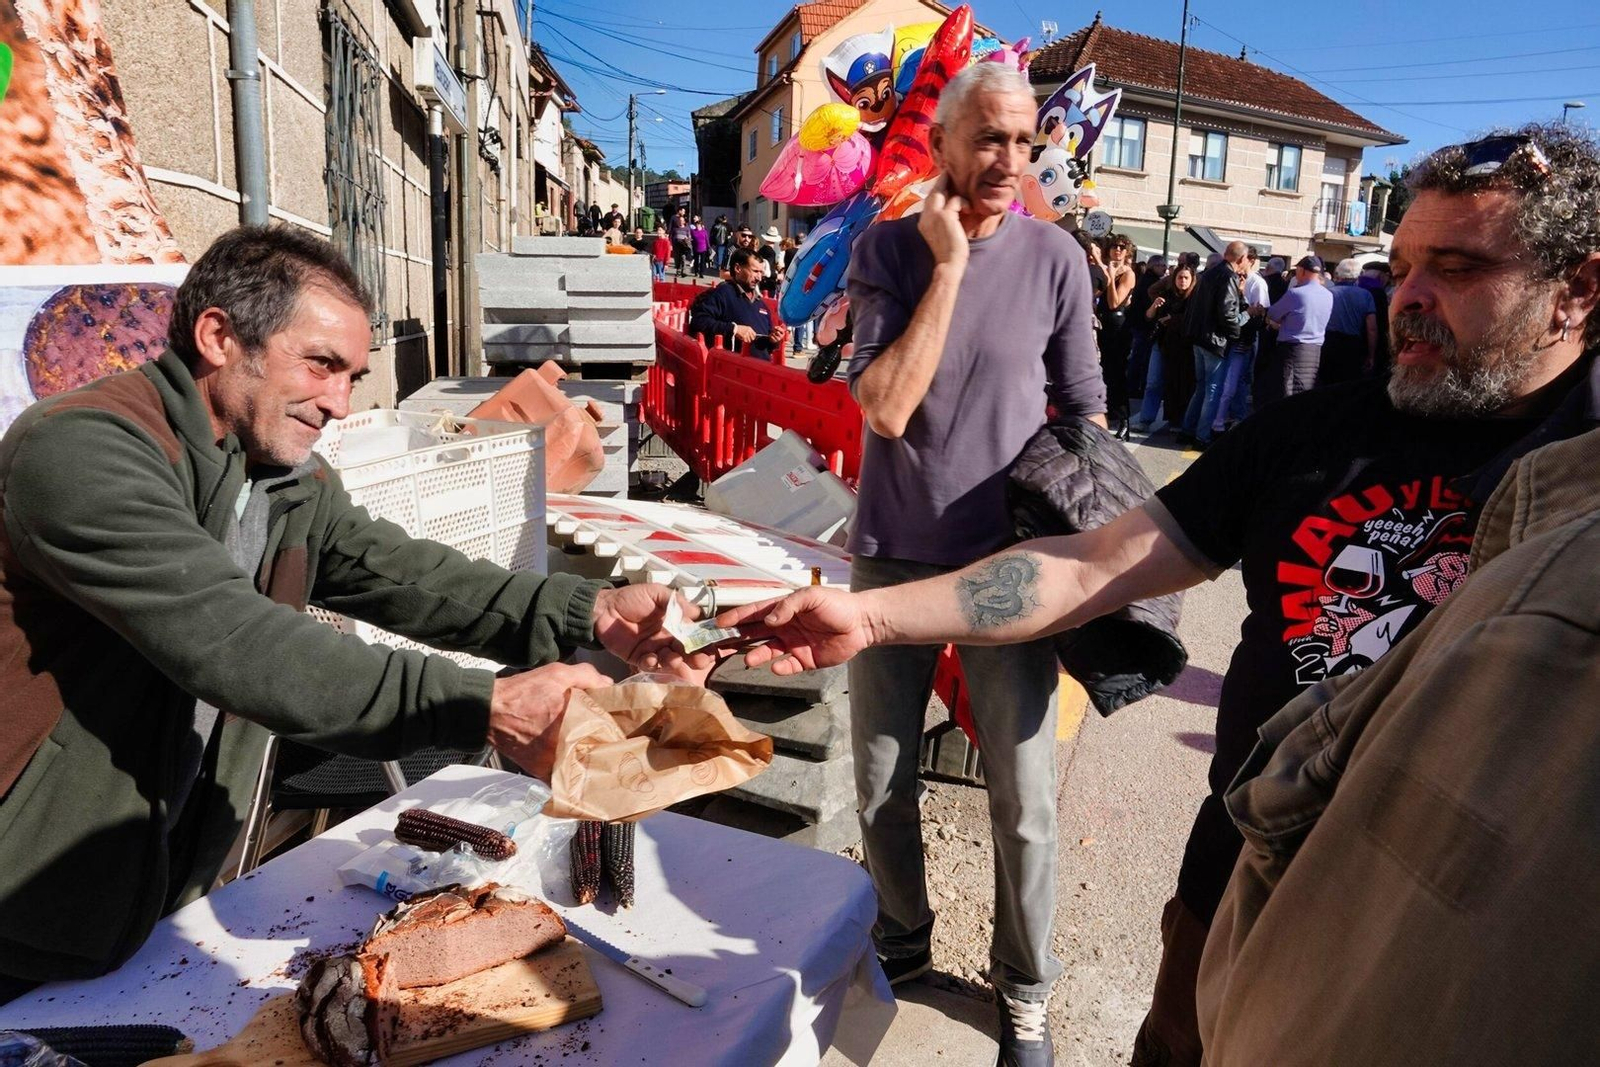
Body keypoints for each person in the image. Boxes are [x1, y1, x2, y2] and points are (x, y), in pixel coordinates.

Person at [713, 122, 1600, 1067]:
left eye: (1458, 269)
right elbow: (1093, 566)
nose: (1410, 298)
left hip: (1463, 958)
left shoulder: (1581, 479)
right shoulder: (1303, 435)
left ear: (1577, 291)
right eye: (1407, 264)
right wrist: (870, 614)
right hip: (1235, 897)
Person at [0, 226, 698, 998]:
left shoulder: (282, 473)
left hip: (162, 882)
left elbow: (409, 576)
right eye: (321, 364)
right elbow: (237, 641)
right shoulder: (80, 451)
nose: (340, 400)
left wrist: (591, 610)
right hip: (29, 893)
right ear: (219, 336)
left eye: (353, 374)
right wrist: (487, 704)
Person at [828, 62, 1104, 1067]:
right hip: (895, 551)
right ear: (941, 142)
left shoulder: (1058, 257)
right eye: (989, 139)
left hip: (1007, 561)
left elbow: (1085, 407)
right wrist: (946, 267)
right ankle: (902, 940)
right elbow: (888, 405)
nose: (1009, 160)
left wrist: (1085, 536)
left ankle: (1023, 988)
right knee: (880, 783)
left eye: (1025, 141)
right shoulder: (887, 252)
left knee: (1023, 798)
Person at [1197, 428, 1600, 1066]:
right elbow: (1121, 554)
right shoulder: (1312, 429)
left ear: (1570, 318)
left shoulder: (1570, 560)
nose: (1405, 318)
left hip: (1355, 960)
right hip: (1220, 881)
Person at [1179, 241, 1251, 447]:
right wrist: (1246, 316)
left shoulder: (1210, 273)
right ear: (1241, 259)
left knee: (1201, 387)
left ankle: (1187, 429)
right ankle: (1201, 436)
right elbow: (1228, 315)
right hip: (1215, 341)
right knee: (1212, 390)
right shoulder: (1228, 276)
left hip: (1200, 338)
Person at [1131, 262, 1197, 432]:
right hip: (1162, 343)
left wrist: (1173, 320)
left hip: (1183, 348)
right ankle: (1145, 419)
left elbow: (1194, 321)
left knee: (1179, 384)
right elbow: (1149, 316)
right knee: (1153, 382)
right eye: (1179, 277)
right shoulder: (1167, 295)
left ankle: (1177, 420)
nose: (1182, 281)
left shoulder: (1195, 299)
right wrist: (1154, 305)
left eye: (1186, 278)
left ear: (1192, 280)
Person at [686, 247, 785, 358]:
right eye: (755, 271)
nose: (759, 278)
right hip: (734, 369)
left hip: (761, 369)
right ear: (738, 268)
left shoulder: (761, 305)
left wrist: (774, 339)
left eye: (761, 273)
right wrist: (734, 329)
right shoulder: (723, 293)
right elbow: (699, 321)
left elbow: (767, 345)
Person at [1260, 255, 1333, 401]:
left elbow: (1273, 313)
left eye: (1298, 270)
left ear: (1303, 271)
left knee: (1288, 392)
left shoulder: (1296, 293)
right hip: (1315, 351)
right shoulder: (1328, 295)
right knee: (1306, 392)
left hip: (1292, 350)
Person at [1212, 248, 1269, 435]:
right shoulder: (1231, 277)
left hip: (1240, 340)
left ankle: (1229, 419)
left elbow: (1259, 315)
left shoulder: (1256, 283)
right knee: (1228, 384)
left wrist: (1249, 336)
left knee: (1235, 383)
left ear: (1249, 260)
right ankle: (1223, 420)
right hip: (1229, 339)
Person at [1095, 234, 1138, 438]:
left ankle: (1124, 422)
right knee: (1102, 373)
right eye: (1114, 246)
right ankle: (1106, 415)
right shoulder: (1107, 269)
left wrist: (1111, 277)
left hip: (1117, 327)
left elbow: (1114, 302)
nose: (1118, 250)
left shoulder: (1127, 274)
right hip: (1103, 325)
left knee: (1116, 375)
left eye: (1122, 247)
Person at [1322, 257, 1379, 383]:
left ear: (1338, 273)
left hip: (1328, 343)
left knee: (1326, 383)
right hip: (1353, 345)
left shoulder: (1327, 293)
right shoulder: (1366, 295)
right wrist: (1371, 355)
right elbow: (1372, 328)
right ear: (1359, 274)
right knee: (1348, 384)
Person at [1127, 255, 1166, 405]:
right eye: (1161, 265)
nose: (1164, 268)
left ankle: (1133, 385)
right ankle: (1135, 386)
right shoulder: (1152, 282)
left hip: (1138, 323)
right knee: (1141, 357)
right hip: (1144, 324)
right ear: (1153, 266)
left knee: (1138, 356)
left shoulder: (1144, 279)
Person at [756, 226, 783, 296]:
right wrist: (778, 276)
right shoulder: (771, 252)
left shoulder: (761, 250)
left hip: (761, 283)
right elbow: (766, 271)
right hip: (769, 285)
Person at [670, 211, 692, 278]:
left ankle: (683, 271)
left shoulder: (687, 228)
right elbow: (671, 237)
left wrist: (687, 239)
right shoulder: (675, 229)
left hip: (683, 245)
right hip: (676, 245)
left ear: (684, 221)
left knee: (683, 258)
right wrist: (671, 244)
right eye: (680, 220)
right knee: (677, 258)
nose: (681, 221)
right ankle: (678, 271)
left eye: (682, 220)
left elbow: (689, 237)